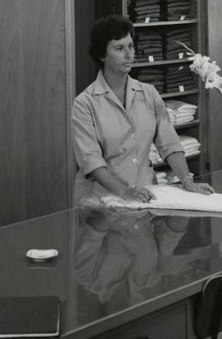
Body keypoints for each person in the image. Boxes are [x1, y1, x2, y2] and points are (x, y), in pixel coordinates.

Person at [72, 14, 213, 205]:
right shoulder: (84, 104)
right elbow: (92, 162)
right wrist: (126, 191)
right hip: (100, 204)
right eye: (119, 48)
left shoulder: (149, 94)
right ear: (102, 55)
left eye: (130, 46)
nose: (129, 54)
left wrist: (187, 181)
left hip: (145, 195)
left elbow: (169, 143)